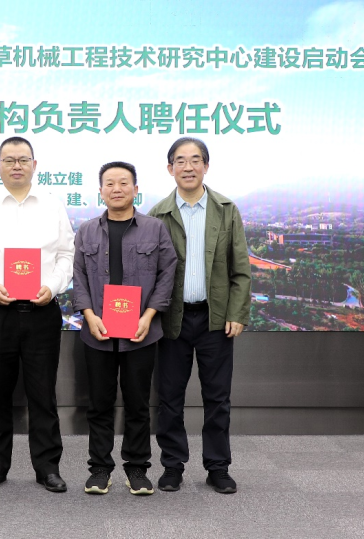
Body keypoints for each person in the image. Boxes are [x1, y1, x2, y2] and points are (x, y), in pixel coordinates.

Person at [0, 136, 75, 493]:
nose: (17, 166)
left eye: (23, 159)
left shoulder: (53, 206)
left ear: (34, 165)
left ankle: (47, 467)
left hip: (42, 310)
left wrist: (52, 286)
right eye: (9, 160)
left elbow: (66, 255)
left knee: (43, 393)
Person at [148, 137, 252, 494]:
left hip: (215, 319)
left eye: (195, 160)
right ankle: (172, 466)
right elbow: (149, 272)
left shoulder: (226, 209)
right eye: (180, 160)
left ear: (206, 166)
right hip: (172, 320)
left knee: (218, 398)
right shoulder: (158, 214)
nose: (188, 167)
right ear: (170, 168)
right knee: (169, 398)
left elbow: (240, 269)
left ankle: (218, 467)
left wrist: (237, 312)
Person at [72, 161, 177, 496]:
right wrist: (89, 315)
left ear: (136, 189)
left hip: (141, 332)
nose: (116, 189)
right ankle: (100, 468)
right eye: (109, 183)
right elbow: (78, 277)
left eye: (123, 183)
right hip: (98, 330)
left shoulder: (154, 229)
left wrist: (149, 316)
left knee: (137, 403)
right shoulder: (87, 230)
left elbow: (167, 272)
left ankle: (137, 468)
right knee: (99, 404)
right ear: (100, 191)